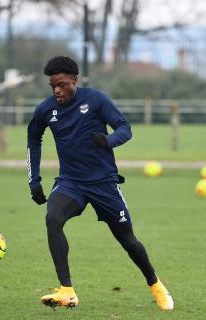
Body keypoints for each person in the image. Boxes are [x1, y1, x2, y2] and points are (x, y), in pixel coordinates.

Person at [27, 56, 174, 310]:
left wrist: (109, 141)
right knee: (53, 218)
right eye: (53, 86)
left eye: (62, 84)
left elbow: (124, 128)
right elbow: (33, 141)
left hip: (104, 183)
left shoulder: (96, 100)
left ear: (75, 80)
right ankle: (67, 291)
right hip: (71, 183)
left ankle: (155, 284)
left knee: (128, 240)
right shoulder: (45, 110)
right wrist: (34, 181)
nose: (57, 91)